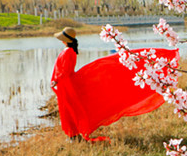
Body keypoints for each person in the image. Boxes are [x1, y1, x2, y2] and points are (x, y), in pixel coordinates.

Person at [50, 27, 178, 141]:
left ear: (66, 39)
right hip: (65, 83)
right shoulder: (68, 50)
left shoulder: (68, 52)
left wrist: (56, 80)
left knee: (69, 108)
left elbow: (65, 71)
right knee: (70, 108)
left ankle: (73, 134)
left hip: (66, 84)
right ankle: (73, 134)